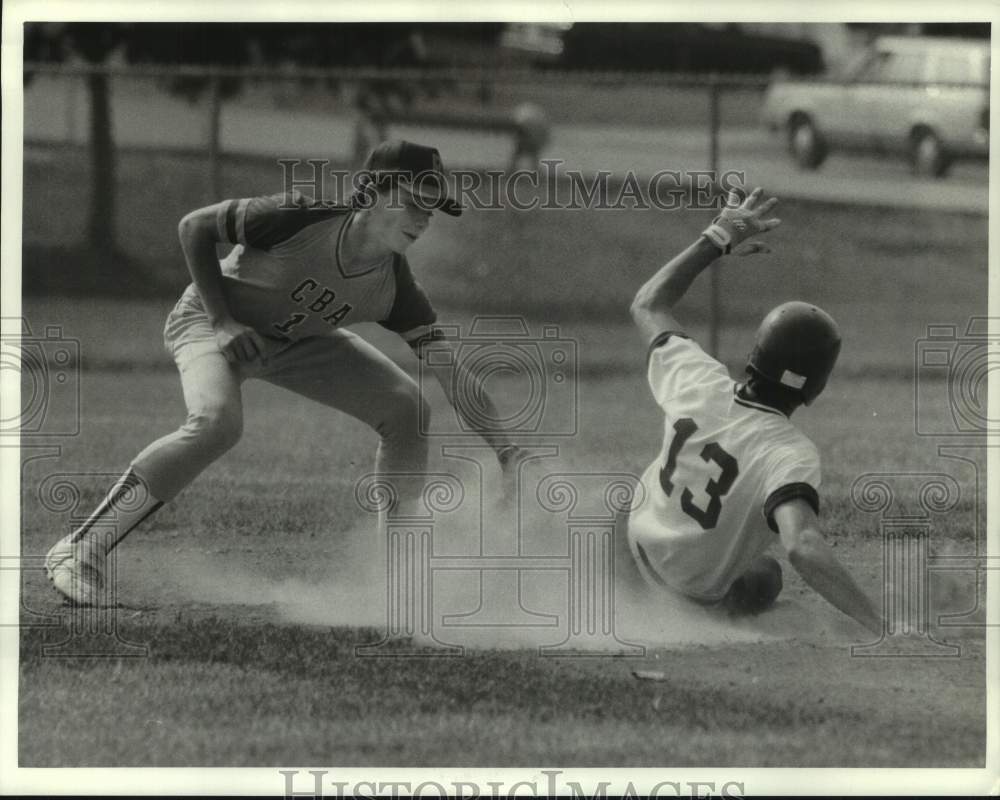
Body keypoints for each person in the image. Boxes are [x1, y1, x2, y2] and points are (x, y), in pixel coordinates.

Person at [45, 140, 524, 606]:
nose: (423, 219)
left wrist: (508, 453)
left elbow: (450, 370)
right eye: (415, 201)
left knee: (406, 408)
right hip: (213, 322)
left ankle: (394, 581)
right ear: (373, 192)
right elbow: (195, 227)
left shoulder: (394, 288)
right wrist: (222, 322)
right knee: (218, 424)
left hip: (300, 340)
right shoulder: (295, 217)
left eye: (432, 207)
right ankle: (81, 549)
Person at [622, 186, 882, 635]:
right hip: (677, 601)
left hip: (626, 552)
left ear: (754, 355)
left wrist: (718, 237)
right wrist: (880, 624)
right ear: (814, 391)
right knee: (768, 575)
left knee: (611, 506)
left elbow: (648, 302)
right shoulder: (790, 453)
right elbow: (801, 545)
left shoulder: (697, 379)